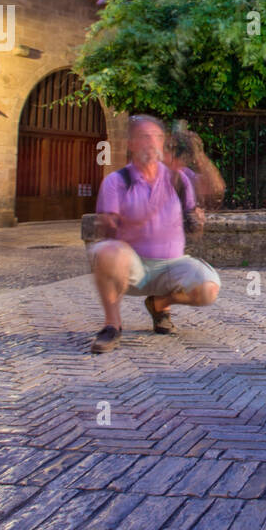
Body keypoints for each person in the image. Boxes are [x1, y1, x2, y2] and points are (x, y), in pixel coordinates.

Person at [88, 115, 222, 353]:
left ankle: (160, 304)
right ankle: (112, 326)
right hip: (133, 268)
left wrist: (199, 156)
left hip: (171, 265)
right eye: (144, 137)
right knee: (106, 251)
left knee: (208, 289)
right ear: (130, 144)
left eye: (156, 137)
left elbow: (215, 190)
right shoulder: (116, 182)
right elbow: (107, 229)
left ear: (163, 143)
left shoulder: (178, 178)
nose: (151, 143)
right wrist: (133, 218)